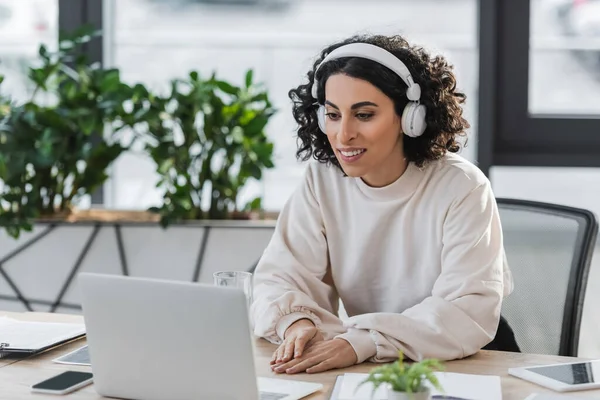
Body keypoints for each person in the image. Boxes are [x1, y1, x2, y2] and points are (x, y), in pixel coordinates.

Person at [250, 34, 514, 375]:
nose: (343, 134)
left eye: (363, 114)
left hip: (465, 359)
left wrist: (362, 342)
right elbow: (280, 276)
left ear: (411, 118)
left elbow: (463, 310)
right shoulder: (322, 180)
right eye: (332, 114)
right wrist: (297, 323)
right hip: (377, 362)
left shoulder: (462, 187)